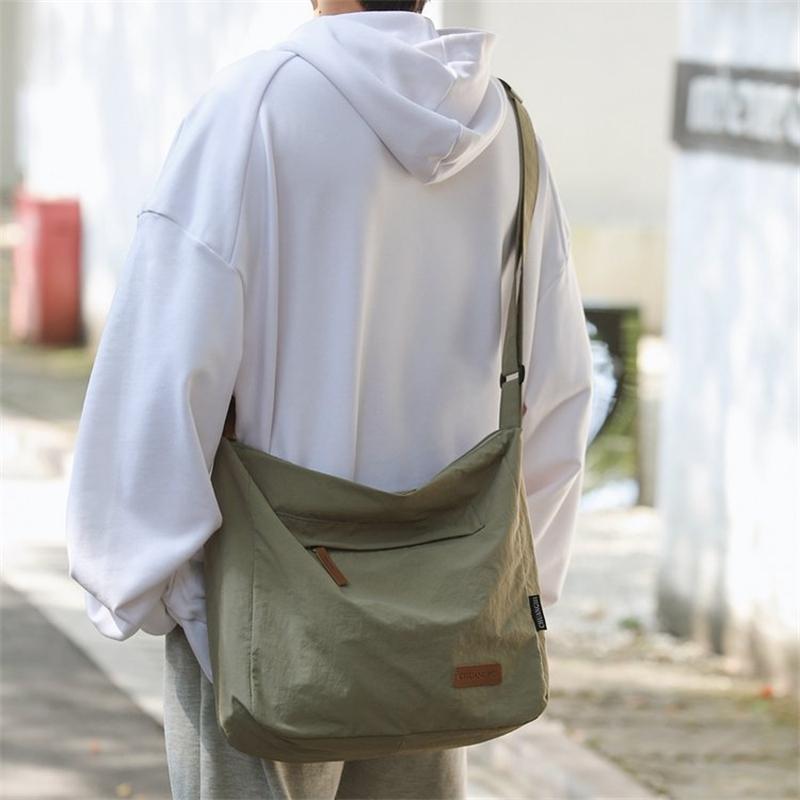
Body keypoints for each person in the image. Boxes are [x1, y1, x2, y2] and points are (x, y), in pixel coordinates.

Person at [65, 0, 594, 797]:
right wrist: (508, 596)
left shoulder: (253, 108)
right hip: (443, 609)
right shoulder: (507, 134)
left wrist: (152, 580)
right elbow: (557, 388)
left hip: (263, 616)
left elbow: (165, 364)